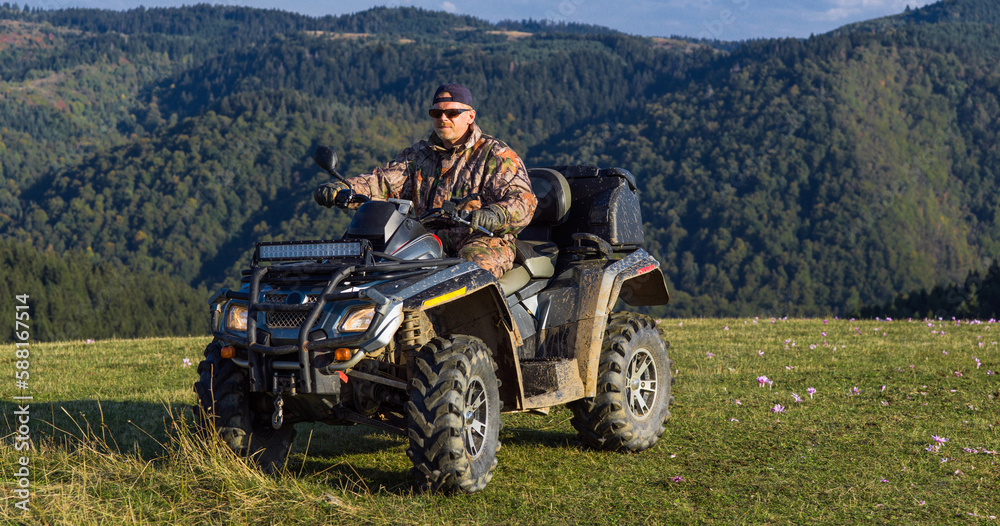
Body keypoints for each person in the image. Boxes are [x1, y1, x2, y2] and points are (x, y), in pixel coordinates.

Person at [314, 83, 537, 279]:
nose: (443, 118)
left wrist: (494, 215)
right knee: (370, 266)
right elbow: (382, 182)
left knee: (471, 273)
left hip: (481, 239)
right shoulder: (418, 155)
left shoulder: (495, 155)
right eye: (436, 113)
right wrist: (344, 189)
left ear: (470, 116)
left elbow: (523, 201)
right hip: (424, 237)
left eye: (452, 113)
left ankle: (478, 327)